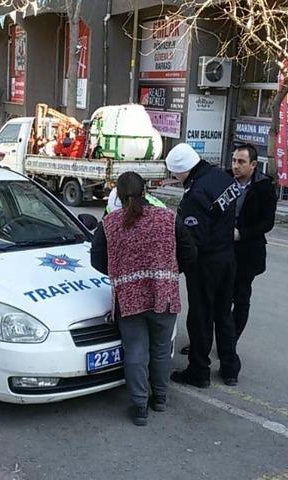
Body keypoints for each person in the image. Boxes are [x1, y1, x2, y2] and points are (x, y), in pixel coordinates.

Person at [91, 172, 197, 426]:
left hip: (128, 299)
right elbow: (190, 254)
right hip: (164, 295)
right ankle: (160, 398)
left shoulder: (110, 223)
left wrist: (121, 272)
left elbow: (96, 259)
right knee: (161, 350)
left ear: (117, 192)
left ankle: (139, 407)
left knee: (135, 351)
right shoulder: (168, 219)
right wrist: (169, 272)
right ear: (146, 190)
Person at [165, 143, 242, 388]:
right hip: (228, 257)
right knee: (224, 314)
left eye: (174, 174)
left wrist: (176, 266)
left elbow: (192, 241)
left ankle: (199, 371)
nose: (175, 178)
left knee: (200, 317)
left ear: (182, 170)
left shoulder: (195, 195)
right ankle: (230, 368)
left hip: (206, 263)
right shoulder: (221, 176)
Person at [229, 143, 277, 345]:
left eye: (241, 162)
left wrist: (242, 234)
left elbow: (267, 223)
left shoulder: (264, 187)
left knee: (240, 299)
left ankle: (230, 342)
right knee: (215, 300)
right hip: (222, 251)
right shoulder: (223, 180)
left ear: (253, 164)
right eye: (233, 161)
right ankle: (205, 340)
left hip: (247, 253)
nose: (236, 166)